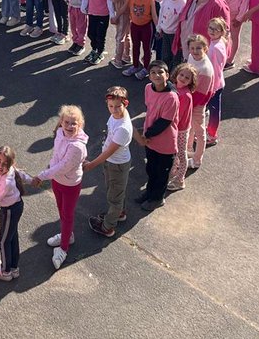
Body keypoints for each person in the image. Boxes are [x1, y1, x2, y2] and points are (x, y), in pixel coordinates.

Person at [31, 105, 88, 270]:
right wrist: (49, 173)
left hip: (70, 185)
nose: (69, 126)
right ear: (61, 122)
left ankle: (63, 248)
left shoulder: (77, 147)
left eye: (74, 123)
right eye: (66, 122)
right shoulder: (60, 133)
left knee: (67, 215)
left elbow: (63, 167)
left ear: (80, 124)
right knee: (61, 210)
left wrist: (42, 176)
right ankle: (67, 235)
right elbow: (56, 156)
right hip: (57, 181)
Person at [85, 87, 132, 238]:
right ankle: (119, 213)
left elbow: (109, 152)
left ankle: (107, 227)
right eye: (110, 106)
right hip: (111, 162)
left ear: (125, 104)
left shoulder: (123, 129)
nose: (114, 110)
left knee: (114, 197)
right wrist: (141, 140)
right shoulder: (117, 116)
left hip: (116, 165)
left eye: (118, 106)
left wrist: (91, 164)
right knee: (115, 191)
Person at [134, 61, 179, 210]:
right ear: (149, 76)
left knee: (161, 173)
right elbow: (149, 108)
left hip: (165, 143)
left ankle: (157, 198)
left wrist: (146, 134)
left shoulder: (171, 97)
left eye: (160, 72)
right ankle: (150, 192)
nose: (157, 75)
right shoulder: (148, 88)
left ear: (167, 75)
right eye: (153, 72)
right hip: (150, 140)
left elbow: (164, 122)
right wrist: (146, 133)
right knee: (151, 169)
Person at [0, 146, 26, 280]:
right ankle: (13, 267)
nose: (0, 166)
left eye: (5, 164)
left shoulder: (6, 183)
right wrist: (32, 180)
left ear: (10, 164)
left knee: (3, 241)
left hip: (10, 210)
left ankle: (5, 272)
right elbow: (22, 175)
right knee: (12, 237)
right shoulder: (8, 170)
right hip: (14, 207)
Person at [166, 63, 196, 190]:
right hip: (175, 127)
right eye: (181, 74)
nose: (183, 78)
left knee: (182, 154)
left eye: (187, 77)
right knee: (175, 152)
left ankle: (180, 180)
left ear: (191, 81)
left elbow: (178, 115)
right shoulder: (173, 87)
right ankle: (173, 171)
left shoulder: (185, 95)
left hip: (181, 129)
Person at [185, 39, 215, 168]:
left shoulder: (205, 69)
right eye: (192, 48)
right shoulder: (191, 57)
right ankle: (188, 149)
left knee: (199, 131)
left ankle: (197, 160)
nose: (195, 51)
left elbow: (201, 94)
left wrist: (187, 105)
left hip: (197, 103)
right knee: (190, 127)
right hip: (190, 99)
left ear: (205, 49)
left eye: (198, 48)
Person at [124, 0, 157, 79]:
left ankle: (146, 68)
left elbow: (154, 15)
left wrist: (158, 28)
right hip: (134, 26)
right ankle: (135, 66)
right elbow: (124, 8)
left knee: (147, 48)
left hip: (146, 26)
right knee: (135, 46)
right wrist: (115, 16)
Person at [220, 0, 252, 68]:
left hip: (235, 14)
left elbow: (245, 3)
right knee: (223, 34)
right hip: (224, 12)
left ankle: (230, 60)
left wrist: (239, 18)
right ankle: (224, 55)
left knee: (234, 37)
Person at [84, 0, 114, 64]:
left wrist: (112, 14)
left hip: (103, 14)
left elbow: (109, 0)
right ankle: (94, 49)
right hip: (92, 12)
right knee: (91, 33)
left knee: (100, 35)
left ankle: (100, 52)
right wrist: (84, 6)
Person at [205, 18, 229, 146]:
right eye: (210, 28)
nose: (212, 31)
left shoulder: (215, 48)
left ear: (222, 31)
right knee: (214, 109)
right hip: (218, 83)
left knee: (214, 111)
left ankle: (212, 135)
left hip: (215, 85)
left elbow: (215, 69)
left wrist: (212, 88)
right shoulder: (219, 42)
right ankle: (210, 131)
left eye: (216, 29)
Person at [154, 0, 186, 69]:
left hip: (175, 35)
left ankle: (174, 74)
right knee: (166, 56)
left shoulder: (183, 3)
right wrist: (159, 28)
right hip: (165, 32)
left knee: (176, 56)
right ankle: (166, 72)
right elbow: (161, 13)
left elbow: (184, 21)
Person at [110, 0, 132, 69]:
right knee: (126, 35)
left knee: (120, 37)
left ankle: (118, 60)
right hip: (126, 13)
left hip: (122, 14)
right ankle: (126, 56)